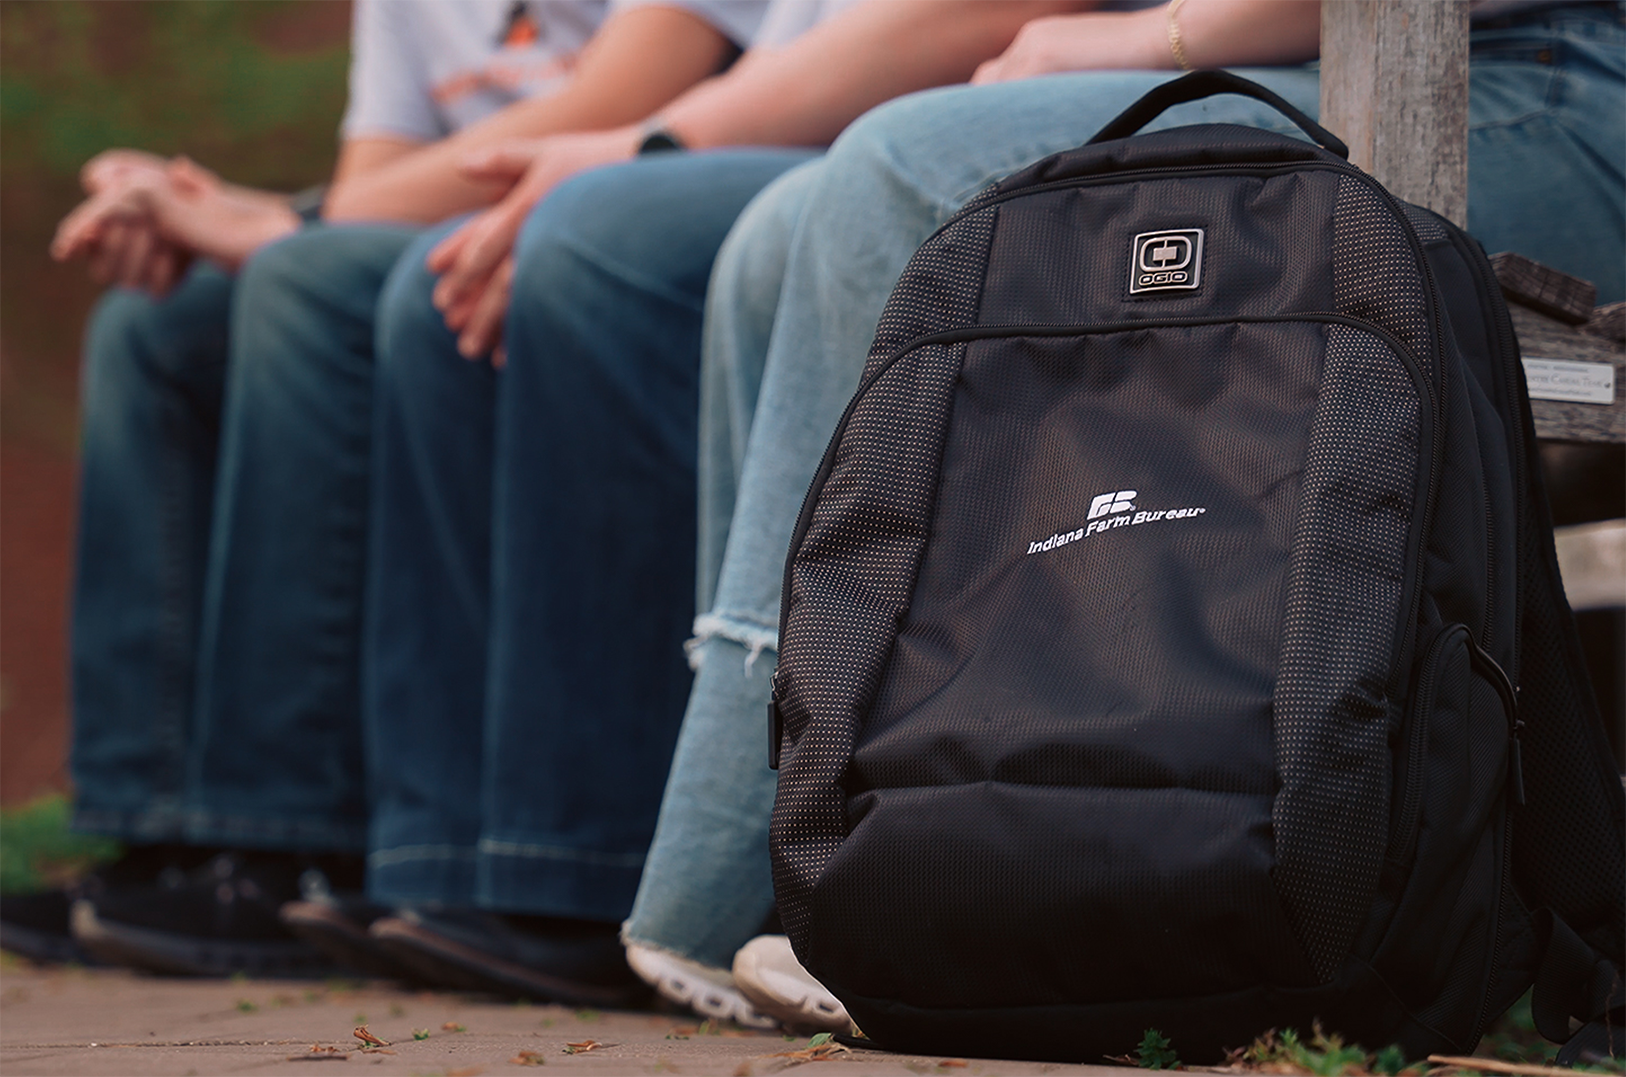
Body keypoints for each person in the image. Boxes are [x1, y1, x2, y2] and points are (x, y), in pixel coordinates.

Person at [616, 0, 1626, 1031]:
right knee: (774, 231)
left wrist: (1156, 39)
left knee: (895, 170)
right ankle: (839, 857)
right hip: (1304, 51)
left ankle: (748, 885)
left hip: (1541, 77)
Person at [359, 0, 1134, 1012]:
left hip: (903, 108)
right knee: (426, 289)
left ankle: (641, 863)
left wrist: (650, 142)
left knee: (612, 237)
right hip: (826, 117)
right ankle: (478, 857)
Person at [0, 0, 763, 975]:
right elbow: (371, 179)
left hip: (627, 195)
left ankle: (296, 842)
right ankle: (163, 826)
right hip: (440, 223)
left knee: (303, 281)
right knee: (156, 324)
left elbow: (619, 97)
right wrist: (226, 212)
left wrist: (279, 222)